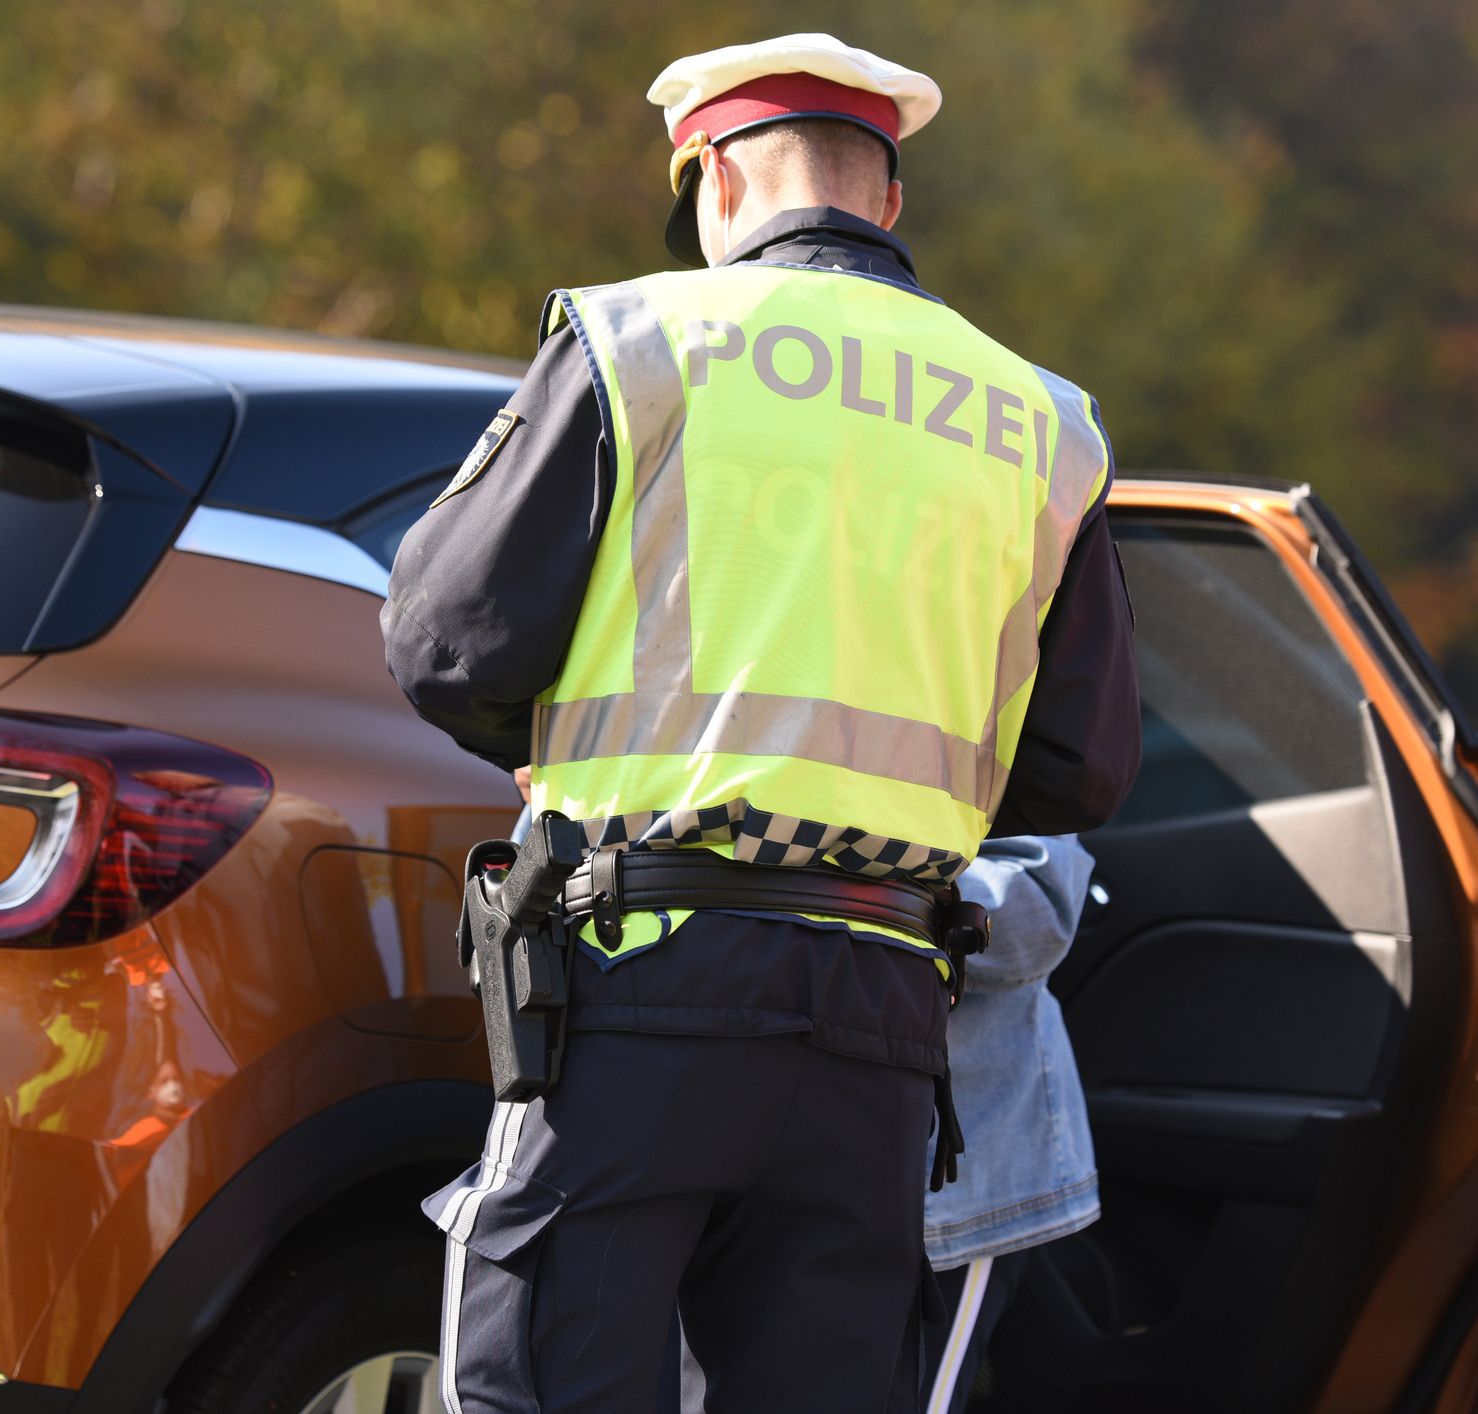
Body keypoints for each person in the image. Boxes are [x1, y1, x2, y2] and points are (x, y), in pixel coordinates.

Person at [382, 32, 1140, 1413]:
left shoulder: (644, 339)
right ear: (886, 199)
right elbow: (1080, 765)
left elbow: (443, 640)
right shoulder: (1045, 420)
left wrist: (589, 743)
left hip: (642, 967)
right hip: (881, 1015)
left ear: (715, 181)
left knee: (537, 1379)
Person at [921, 835, 1101, 1412]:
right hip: (752, 1158)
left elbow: (1036, 907)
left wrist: (842, 905)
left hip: (945, 1188)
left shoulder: (979, 741)